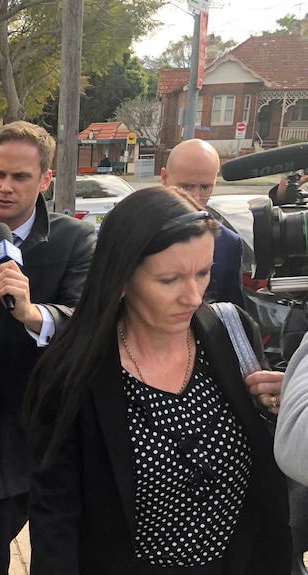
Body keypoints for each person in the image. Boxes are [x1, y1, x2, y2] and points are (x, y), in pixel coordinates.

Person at [24, 187, 291, 574]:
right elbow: (56, 519)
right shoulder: (73, 374)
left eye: (203, 272)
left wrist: (285, 410)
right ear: (122, 278)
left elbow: (266, 476)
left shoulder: (231, 334)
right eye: (169, 280)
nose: (193, 296)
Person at [0, 120, 95, 575]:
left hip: (43, 432)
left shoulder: (73, 240)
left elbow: (86, 324)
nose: (4, 188)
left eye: (20, 177)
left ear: (45, 180)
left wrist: (32, 314)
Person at [161, 138, 244, 307]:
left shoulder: (228, 244)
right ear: (164, 178)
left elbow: (230, 314)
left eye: (205, 187)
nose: (196, 197)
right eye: (186, 187)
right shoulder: (125, 228)